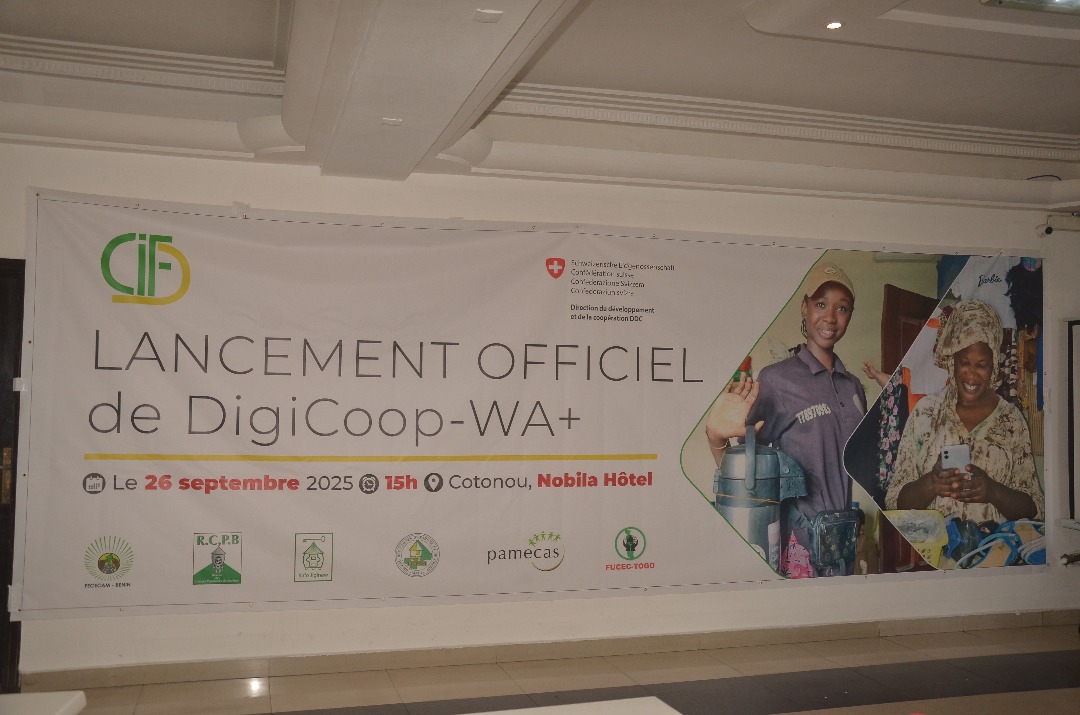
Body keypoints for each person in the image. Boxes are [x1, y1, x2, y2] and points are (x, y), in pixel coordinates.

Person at [706, 262, 867, 577]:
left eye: (842, 308)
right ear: (804, 308)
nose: (830, 317)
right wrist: (716, 438)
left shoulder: (854, 387)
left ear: (849, 315)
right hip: (799, 547)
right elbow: (744, 472)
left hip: (842, 544)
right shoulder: (777, 380)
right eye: (820, 304)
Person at [885, 300, 1043, 525]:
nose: (971, 375)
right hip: (933, 546)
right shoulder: (926, 413)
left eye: (982, 365)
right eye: (964, 362)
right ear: (952, 361)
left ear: (994, 365)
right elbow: (894, 503)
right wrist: (932, 483)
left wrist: (993, 492)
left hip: (993, 545)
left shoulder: (1011, 420)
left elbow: (1034, 507)